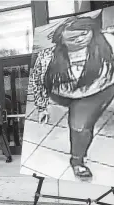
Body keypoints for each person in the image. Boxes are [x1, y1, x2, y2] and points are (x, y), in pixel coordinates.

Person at [30, 13, 114, 181]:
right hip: (66, 94)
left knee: (83, 125)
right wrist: (41, 108)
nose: (80, 39)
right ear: (61, 40)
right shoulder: (47, 56)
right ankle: (77, 160)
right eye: (73, 38)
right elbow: (37, 82)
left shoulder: (107, 41)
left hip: (101, 90)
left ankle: (78, 159)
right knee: (80, 126)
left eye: (84, 34)